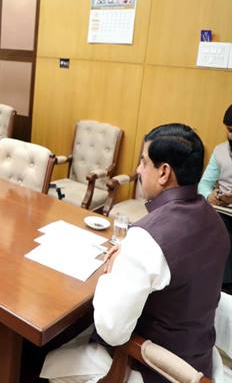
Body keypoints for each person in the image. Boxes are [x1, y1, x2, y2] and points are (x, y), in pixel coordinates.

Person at [41, 123, 229, 382]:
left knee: (47, 356)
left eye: (143, 162)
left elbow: (111, 331)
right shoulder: (215, 221)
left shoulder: (147, 239)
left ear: (164, 172)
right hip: (198, 358)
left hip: (154, 368)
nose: (138, 170)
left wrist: (111, 270)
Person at [198, 104, 232, 294]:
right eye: (230, 131)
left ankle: (223, 289)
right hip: (221, 210)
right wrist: (210, 195)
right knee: (216, 227)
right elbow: (204, 184)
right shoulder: (220, 151)